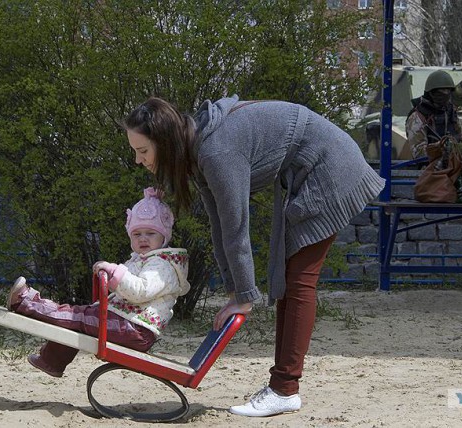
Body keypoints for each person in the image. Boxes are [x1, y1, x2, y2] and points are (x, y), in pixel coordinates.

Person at [123, 95, 385, 417]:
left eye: (143, 151)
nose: (138, 160)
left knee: (300, 281)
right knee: (292, 279)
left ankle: (284, 389)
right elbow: (218, 222)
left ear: (164, 143)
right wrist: (235, 291)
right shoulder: (198, 149)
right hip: (311, 172)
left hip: (331, 169)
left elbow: (237, 225)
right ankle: (284, 388)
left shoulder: (216, 150)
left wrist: (244, 297)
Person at [6, 187, 191, 378]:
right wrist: (115, 275)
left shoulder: (160, 266)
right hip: (127, 324)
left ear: (164, 236)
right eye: (137, 234)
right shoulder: (144, 259)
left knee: (76, 317)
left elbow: (141, 290)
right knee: (78, 318)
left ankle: (25, 301)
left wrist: (114, 272)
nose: (143, 238)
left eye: (151, 233)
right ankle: (51, 361)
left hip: (134, 328)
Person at [404, 69, 462, 164]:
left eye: (448, 90)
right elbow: (419, 154)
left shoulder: (450, 112)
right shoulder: (418, 117)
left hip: (454, 164)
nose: (445, 94)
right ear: (431, 93)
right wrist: (441, 148)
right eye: (441, 91)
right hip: (430, 169)